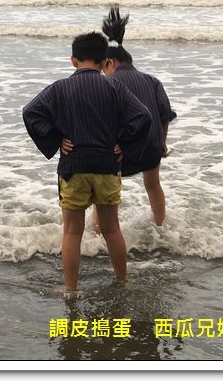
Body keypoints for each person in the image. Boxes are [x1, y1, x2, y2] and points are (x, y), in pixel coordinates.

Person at [22, 32, 151, 291]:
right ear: (105, 62)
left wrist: (56, 139)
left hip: (74, 166)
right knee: (111, 229)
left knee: (72, 231)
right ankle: (121, 281)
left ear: (73, 60)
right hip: (107, 165)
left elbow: (30, 112)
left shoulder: (59, 88)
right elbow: (143, 116)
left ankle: (70, 290)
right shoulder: (114, 87)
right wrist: (123, 143)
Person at [62, 6, 177, 227]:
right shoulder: (152, 80)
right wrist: (162, 143)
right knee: (153, 185)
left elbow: (103, 119)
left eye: (103, 68)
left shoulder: (110, 84)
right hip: (151, 146)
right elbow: (164, 115)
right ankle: (160, 224)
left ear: (110, 63)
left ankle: (98, 231)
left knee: (101, 192)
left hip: (120, 151)